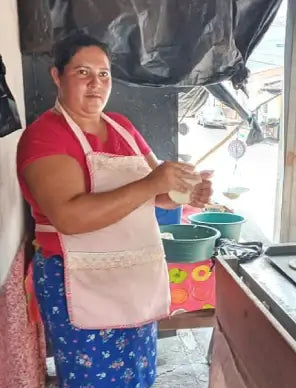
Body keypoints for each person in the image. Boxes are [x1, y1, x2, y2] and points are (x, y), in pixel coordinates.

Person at [16, 33, 212, 387]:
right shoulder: (46, 135)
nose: (96, 84)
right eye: (83, 73)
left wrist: (188, 192)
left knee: (138, 376)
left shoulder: (123, 126)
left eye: (104, 74)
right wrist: (152, 184)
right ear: (57, 76)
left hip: (134, 278)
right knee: (93, 380)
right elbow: (69, 218)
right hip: (78, 279)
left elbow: (159, 197)